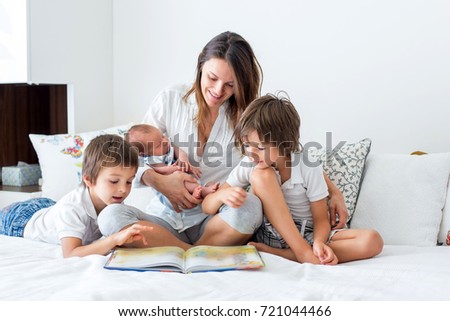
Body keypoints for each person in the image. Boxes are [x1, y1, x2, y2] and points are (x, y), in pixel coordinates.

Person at [98, 31, 347, 249]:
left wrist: (333, 192)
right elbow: (129, 158)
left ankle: (181, 249)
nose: (218, 91)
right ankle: (189, 249)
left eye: (230, 85)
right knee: (110, 217)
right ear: (200, 67)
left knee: (250, 207)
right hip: (164, 218)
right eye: (212, 78)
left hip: (216, 220)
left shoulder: (247, 115)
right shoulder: (170, 99)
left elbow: (288, 153)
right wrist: (159, 181)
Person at [203, 93, 383, 264]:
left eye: (259, 147)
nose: (250, 152)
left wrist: (319, 242)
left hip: (308, 234)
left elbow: (320, 219)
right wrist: (220, 196)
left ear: (285, 144)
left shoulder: (307, 166)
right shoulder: (250, 164)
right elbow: (207, 207)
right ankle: (302, 253)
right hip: (270, 233)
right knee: (261, 175)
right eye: (247, 145)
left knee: (372, 240)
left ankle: (286, 254)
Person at [0, 134, 151, 258]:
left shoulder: (113, 200)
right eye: (114, 181)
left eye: (129, 182)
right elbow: (70, 253)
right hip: (20, 219)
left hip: (49, 206)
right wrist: (113, 240)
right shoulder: (72, 208)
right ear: (89, 180)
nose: (123, 189)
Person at [125, 123, 219, 199]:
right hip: (172, 191)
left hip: (183, 177)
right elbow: (160, 170)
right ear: (144, 153)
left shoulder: (168, 145)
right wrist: (172, 169)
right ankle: (201, 191)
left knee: (204, 179)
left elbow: (179, 151)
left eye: (162, 136)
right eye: (159, 144)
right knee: (183, 180)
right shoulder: (151, 159)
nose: (165, 141)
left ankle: (204, 187)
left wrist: (184, 160)